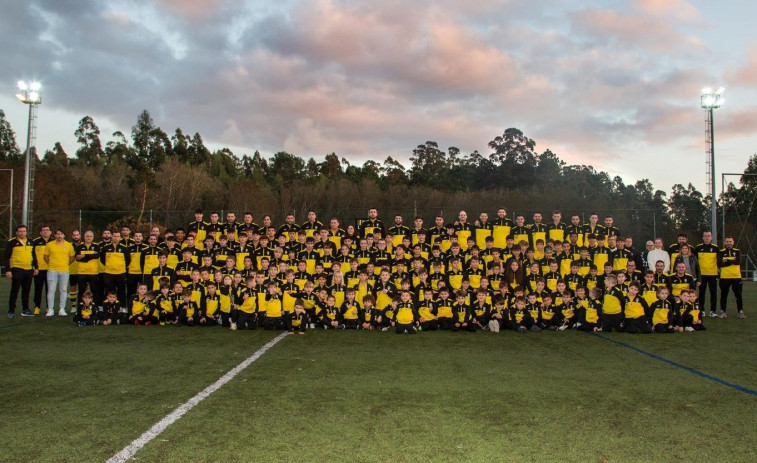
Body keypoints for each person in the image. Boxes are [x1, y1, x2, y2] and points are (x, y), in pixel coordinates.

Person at [4, 225, 38, 318]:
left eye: (24, 231)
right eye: (20, 231)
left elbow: (34, 256)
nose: (22, 233)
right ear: (16, 232)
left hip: (29, 269)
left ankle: (25, 309)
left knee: (26, 291)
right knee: (15, 291)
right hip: (17, 269)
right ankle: (11, 311)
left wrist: (36, 267)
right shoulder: (12, 242)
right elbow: (7, 257)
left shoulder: (31, 242)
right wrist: (8, 270)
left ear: (26, 232)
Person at [44, 229, 76, 317]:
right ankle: (50, 309)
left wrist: (66, 264)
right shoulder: (50, 244)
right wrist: (51, 264)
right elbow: (46, 256)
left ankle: (62, 309)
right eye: (58, 234)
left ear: (64, 236)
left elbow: (72, 257)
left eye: (61, 234)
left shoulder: (69, 245)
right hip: (52, 270)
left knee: (63, 290)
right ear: (55, 235)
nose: (59, 236)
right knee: (51, 290)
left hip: (64, 271)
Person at [718, 237, 744, 318]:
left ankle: (740, 312)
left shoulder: (737, 251)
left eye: (730, 241)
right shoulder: (721, 252)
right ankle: (723, 312)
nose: (729, 243)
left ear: (733, 242)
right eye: (727, 241)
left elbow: (738, 262)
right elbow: (720, 264)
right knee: (724, 295)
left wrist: (727, 261)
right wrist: (732, 261)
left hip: (736, 277)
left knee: (738, 295)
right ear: (724, 243)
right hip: (724, 277)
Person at [695, 231, 719, 318]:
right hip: (702, 275)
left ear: (711, 237)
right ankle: (702, 311)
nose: (707, 238)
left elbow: (719, 261)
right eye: (705, 236)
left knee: (713, 293)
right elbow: (695, 262)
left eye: (708, 236)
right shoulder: (698, 248)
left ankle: (713, 311)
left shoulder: (715, 248)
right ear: (702, 237)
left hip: (713, 274)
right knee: (701, 293)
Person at [31, 225, 52, 315]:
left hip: (51, 270)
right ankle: (37, 307)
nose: (45, 232)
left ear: (50, 232)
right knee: (38, 289)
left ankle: (49, 307)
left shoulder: (54, 241)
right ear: (40, 232)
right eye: (43, 230)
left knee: (49, 290)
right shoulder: (35, 242)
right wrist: (34, 267)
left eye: (47, 230)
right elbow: (32, 256)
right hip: (39, 270)